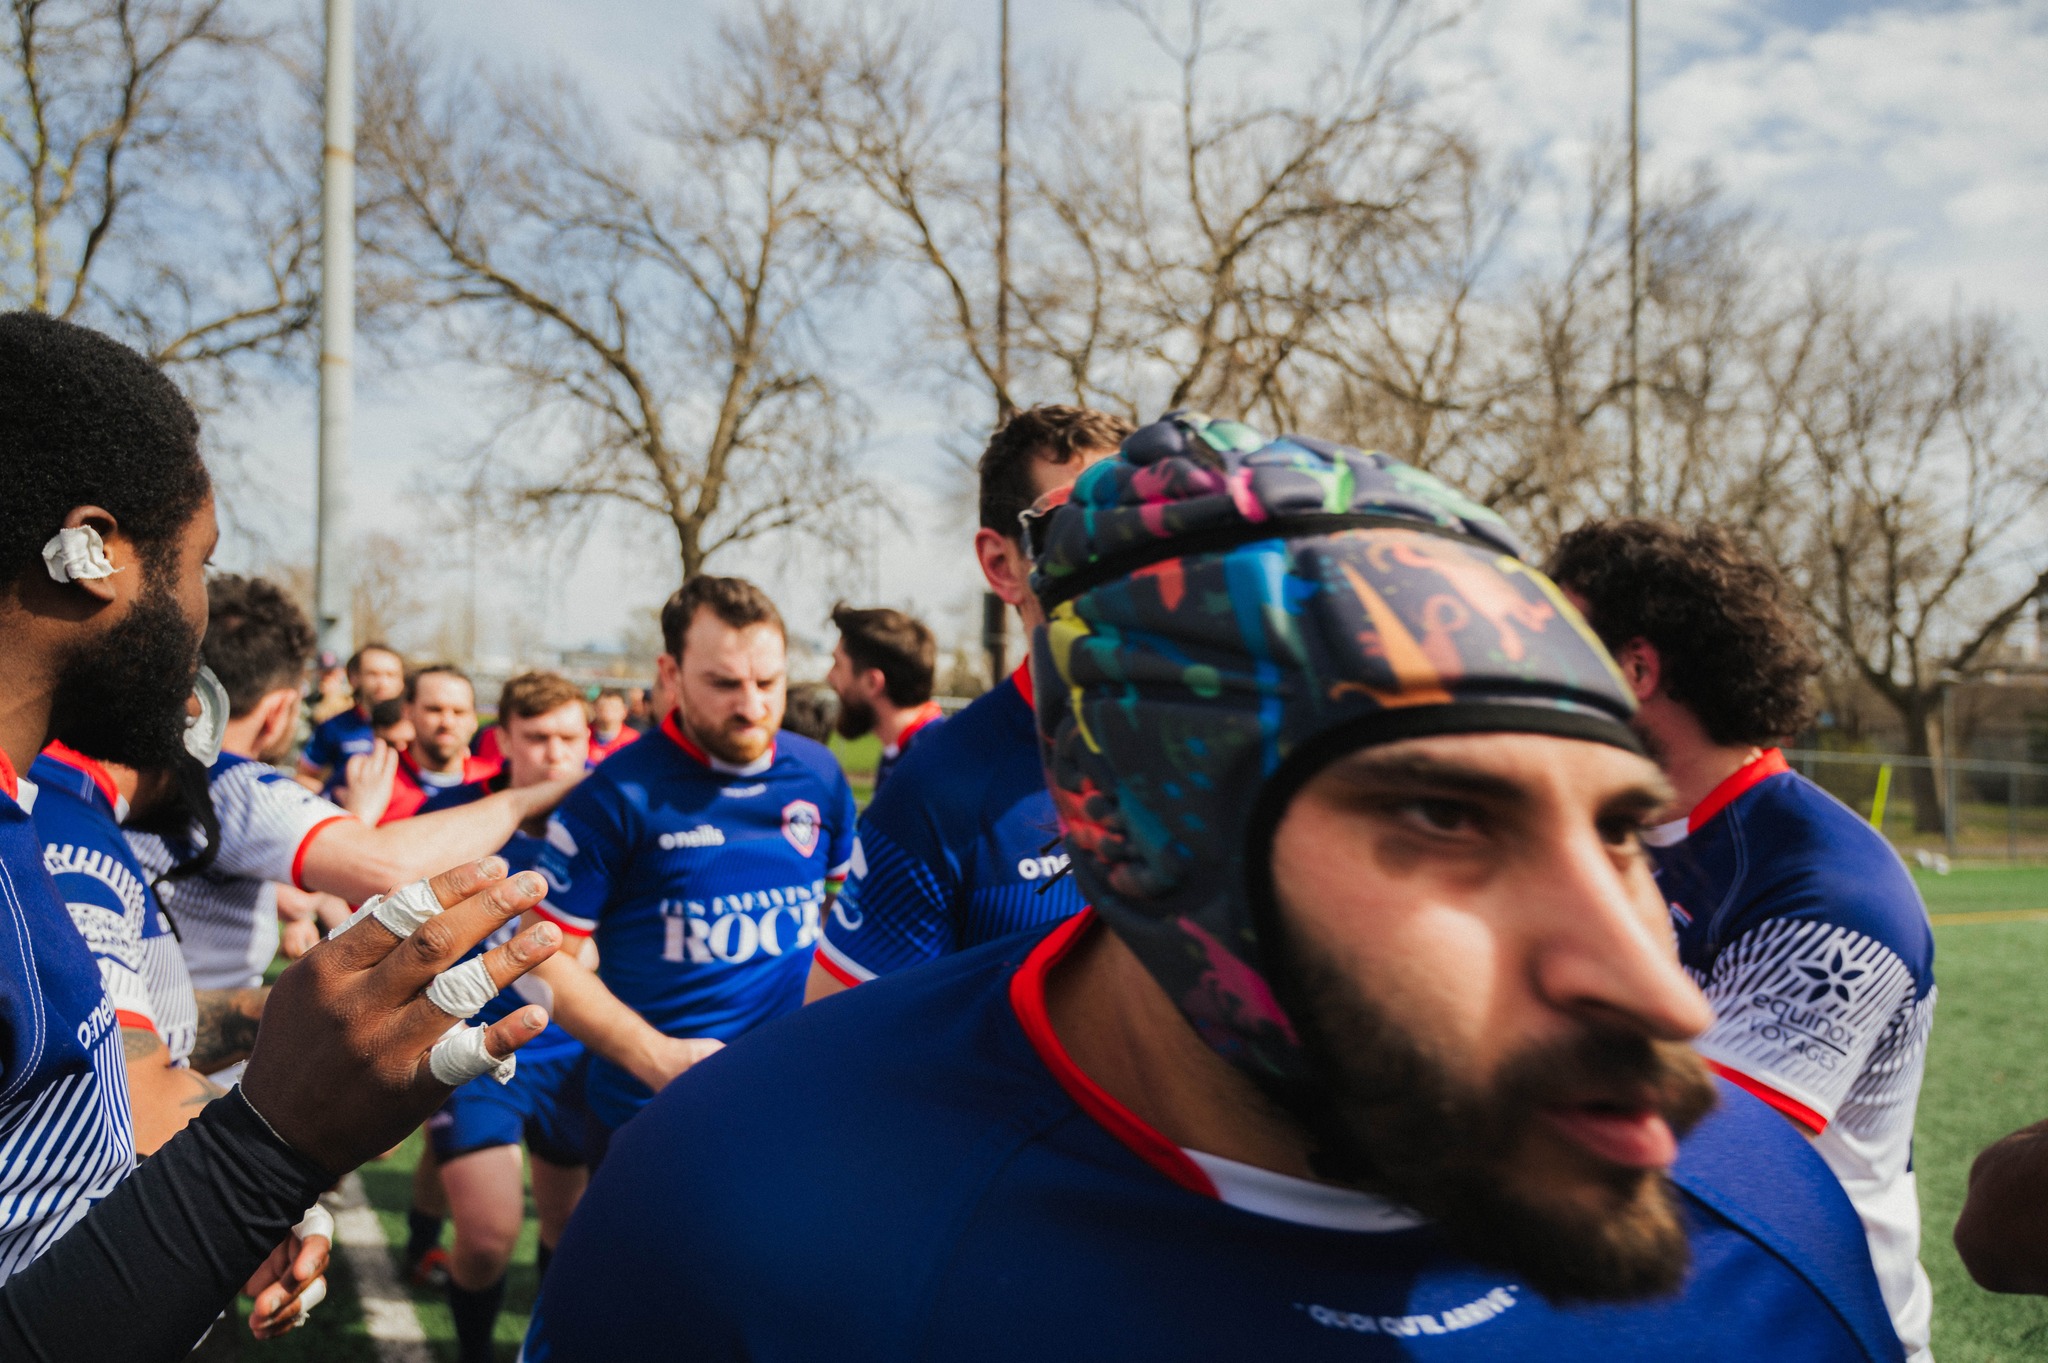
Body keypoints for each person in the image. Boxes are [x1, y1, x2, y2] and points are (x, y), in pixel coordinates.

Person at [528, 414, 1900, 1361]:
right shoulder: (739, 1206)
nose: (1659, 981)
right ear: (1118, 827)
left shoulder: (1762, 1230)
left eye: (1620, 830)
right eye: (1440, 816)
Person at [0, 310, 565, 1360]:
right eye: (198, 562)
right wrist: (272, 1147)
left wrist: (261, 1050)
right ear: (92, 552)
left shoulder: (29, 820)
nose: (203, 614)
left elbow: (91, 1070)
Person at [1547, 520, 1936, 1361]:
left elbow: (1701, 1162)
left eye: (1560, 647)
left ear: (1636, 669)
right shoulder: (1611, 837)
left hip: (1800, 1326)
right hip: (1653, 1310)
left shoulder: (1832, 888)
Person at [807, 405, 1130, 999]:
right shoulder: (936, 793)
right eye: (1077, 524)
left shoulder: (1228, 738)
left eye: (1137, 518)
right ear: (1003, 565)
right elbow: (846, 1054)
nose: (1116, 552)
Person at [524, 576, 856, 1150]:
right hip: (653, 1113)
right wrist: (656, 1057)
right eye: (724, 684)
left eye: (768, 682)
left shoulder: (819, 773)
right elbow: (536, 962)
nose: (752, 707)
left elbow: (842, 919)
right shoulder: (616, 796)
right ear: (671, 675)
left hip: (789, 1098)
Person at [424, 673, 597, 1363]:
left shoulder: (609, 822)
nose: (556, 753)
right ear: (505, 740)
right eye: (538, 737)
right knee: (490, 1235)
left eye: (570, 737)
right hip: (474, 1052)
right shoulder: (464, 819)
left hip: (572, 1056)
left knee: (568, 1227)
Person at [825, 603, 943, 793]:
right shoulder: (901, 754)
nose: (829, 676)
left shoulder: (935, 764)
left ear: (873, 682)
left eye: (837, 665)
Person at [381, 665, 498, 824]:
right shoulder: (376, 780)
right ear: (408, 712)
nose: (447, 722)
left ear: (474, 720)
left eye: (459, 712)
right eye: (434, 710)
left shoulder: (496, 781)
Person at [297, 643, 406, 789]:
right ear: (354, 678)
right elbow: (302, 777)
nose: (383, 683)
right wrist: (333, 798)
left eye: (391, 675)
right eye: (373, 674)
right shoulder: (332, 727)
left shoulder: (419, 725)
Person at [589, 690, 638, 762]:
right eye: (602, 707)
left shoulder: (633, 740)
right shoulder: (583, 735)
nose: (607, 712)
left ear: (624, 711)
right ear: (594, 709)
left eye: (613, 708)